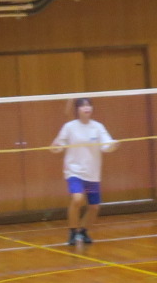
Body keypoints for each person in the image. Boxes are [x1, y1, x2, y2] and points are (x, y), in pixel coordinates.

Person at [50, 98, 117, 247]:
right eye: (83, 106)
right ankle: (73, 231)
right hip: (74, 171)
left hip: (92, 173)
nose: (87, 108)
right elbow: (58, 146)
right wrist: (55, 147)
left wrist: (113, 145)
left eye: (89, 105)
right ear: (77, 110)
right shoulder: (69, 127)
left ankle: (83, 231)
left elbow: (106, 145)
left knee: (94, 207)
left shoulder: (98, 127)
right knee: (77, 199)